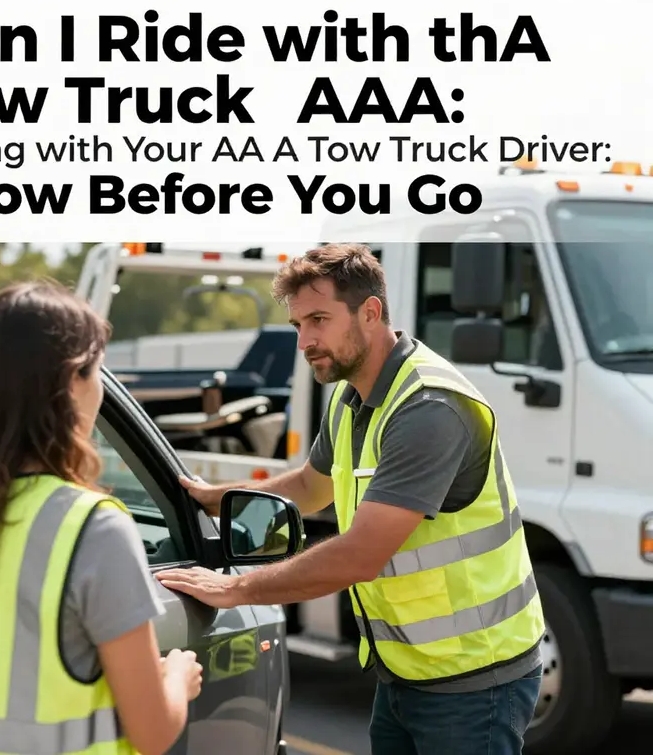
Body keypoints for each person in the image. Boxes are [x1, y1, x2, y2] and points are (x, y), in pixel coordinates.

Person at [156, 243, 545, 755]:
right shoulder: (351, 395)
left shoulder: (429, 408)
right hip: (406, 670)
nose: (305, 341)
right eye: (298, 325)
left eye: (319, 319)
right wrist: (212, 498)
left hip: (474, 677)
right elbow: (309, 487)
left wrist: (238, 589)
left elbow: (361, 554)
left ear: (371, 312)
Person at [0, 280, 202, 755]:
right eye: (98, 369)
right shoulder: (94, 528)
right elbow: (153, 732)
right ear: (73, 381)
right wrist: (178, 678)